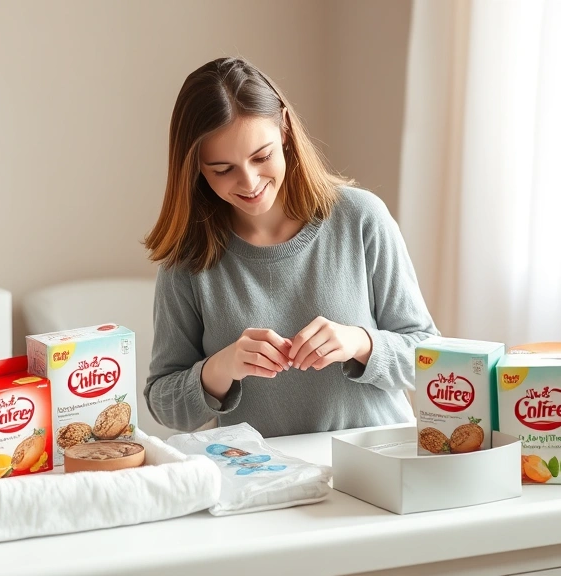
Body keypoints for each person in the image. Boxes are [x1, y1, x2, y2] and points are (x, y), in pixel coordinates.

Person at [143, 57, 438, 438]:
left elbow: (430, 358)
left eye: (261, 156)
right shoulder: (188, 260)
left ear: (284, 129)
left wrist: (360, 342)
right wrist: (221, 367)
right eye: (223, 169)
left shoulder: (361, 218)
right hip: (263, 472)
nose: (249, 182)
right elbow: (164, 405)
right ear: (196, 167)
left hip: (377, 461)